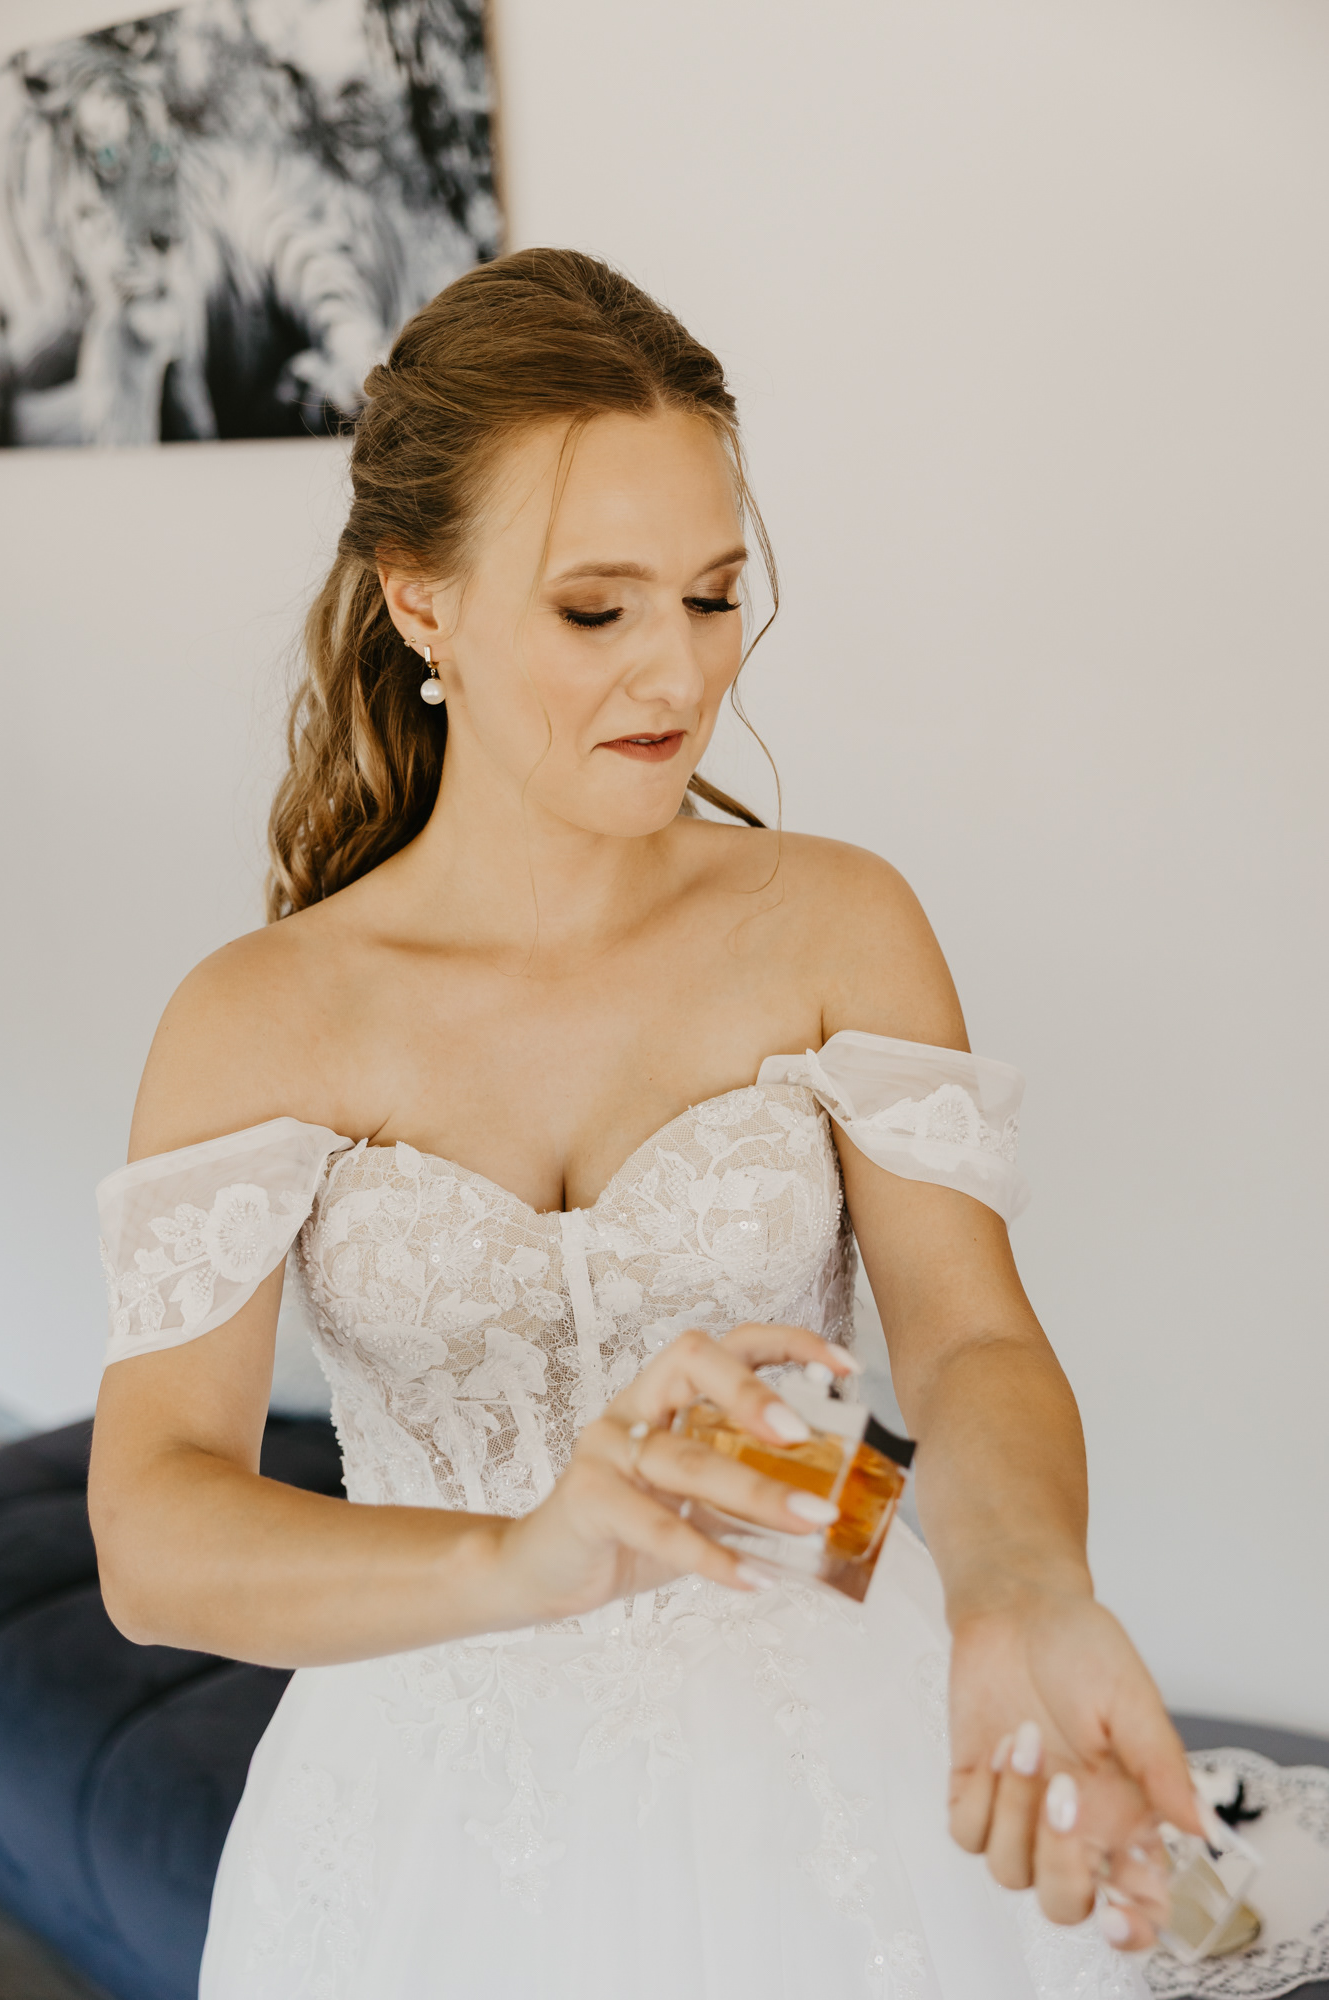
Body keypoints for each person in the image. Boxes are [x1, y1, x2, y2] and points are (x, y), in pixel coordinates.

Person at [89, 248, 1203, 1999]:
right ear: (419, 600)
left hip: (839, 1734)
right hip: (427, 1807)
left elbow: (971, 1335)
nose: (677, 674)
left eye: (711, 594)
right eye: (595, 611)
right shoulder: (258, 1015)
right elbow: (153, 1538)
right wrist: (523, 1560)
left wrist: (1025, 1592)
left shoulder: (836, 922)